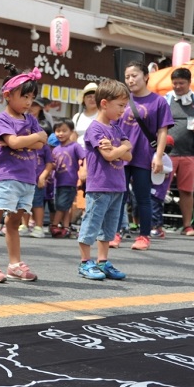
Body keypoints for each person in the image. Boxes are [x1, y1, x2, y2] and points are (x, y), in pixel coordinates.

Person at [0, 68, 47, 284]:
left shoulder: (30, 119)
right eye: (24, 96)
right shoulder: (2, 119)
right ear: (8, 95)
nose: (28, 102)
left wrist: (24, 140)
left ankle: (14, 264)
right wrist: (33, 137)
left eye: (31, 97)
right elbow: (25, 141)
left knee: (14, 222)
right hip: (6, 175)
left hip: (26, 177)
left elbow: (39, 144)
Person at [76, 78, 132, 281]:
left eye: (125, 106)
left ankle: (102, 261)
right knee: (91, 224)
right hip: (99, 185)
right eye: (120, 106)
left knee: (109, 228)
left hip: (117, 185)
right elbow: (109, 156)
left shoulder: (116, 128)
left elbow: (129, 154)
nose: (123, 110)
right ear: (104, 103)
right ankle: (85, 262)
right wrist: (122, 149)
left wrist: (120, 149)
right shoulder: (95, 129)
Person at [116, 61, 172, 251]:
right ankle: (114, 233)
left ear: (146, 76)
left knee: (143, 198)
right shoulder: (121, 99)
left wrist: (158, 156)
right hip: (121, 156)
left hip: (143, 156)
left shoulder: (159, 102)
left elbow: (162, 131)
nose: (130, 80)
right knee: (118, 197)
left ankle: (144, 236)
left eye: (134, 76)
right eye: (127, 77)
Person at [163, 67, 194, 235]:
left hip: (190, 152)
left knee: (187, 190)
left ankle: (187, 225)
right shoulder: (165, 100)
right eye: (175, 83)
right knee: (159, 188)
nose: (178, 86)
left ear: (189, 83)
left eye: (181, 83)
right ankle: (155, 224)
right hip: (167, 153)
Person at [49, 119, 82, 238]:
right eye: (58, 131)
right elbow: (52, 164)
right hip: (58, 181)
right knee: (65, 206)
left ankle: (54, 225)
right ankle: (66, 227)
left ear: (71, 132)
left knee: (61, 206)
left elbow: (84, 159)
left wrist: (82, 176)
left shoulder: (75, 146)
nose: (61, 133)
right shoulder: (56, 149)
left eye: (64, 130)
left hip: (69, 181)